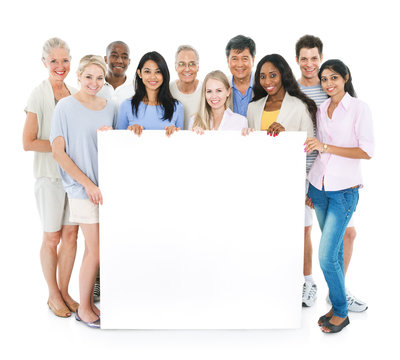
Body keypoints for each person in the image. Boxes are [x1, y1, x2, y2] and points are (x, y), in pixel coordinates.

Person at [295, 35, 367, 312]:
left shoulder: (331, 90)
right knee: (306, 231)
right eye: (304, 58)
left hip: (337, 179)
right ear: (297, 61)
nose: (309, 63)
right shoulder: (295, 90)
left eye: (314, 58)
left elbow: (352, 138)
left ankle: (338, 290)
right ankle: (308, 282)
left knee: (345, 236)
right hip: (309, 176)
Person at [304, 59, 374, 333]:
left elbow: (366, 151)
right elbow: (316, 148)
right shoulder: (321, 109)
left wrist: (326, 146)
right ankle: (336, 306)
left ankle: (342, 312)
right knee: (332, 254)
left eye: (334, 77)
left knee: (325, 256)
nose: (329, 83)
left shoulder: (359, 109)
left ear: (345, 77)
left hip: (344, 192)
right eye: (324, 79)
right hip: (318, 190)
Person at [50, 55, 118, 328]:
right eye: (88, 76)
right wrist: (87, 184)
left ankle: (91, 304)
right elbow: (58, 152)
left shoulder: (110, 107)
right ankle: (85, 308)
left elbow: (116, 143)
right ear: (78, 76)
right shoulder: (65, 107)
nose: (94, 82)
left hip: (109, 188)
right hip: (81, 190)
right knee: (95, 251)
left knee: (104, 249)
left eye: (99, 78)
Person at [23, 37, 79, 318]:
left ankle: (65, 291)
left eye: (65, 60)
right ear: (44, 63)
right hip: (49, 177)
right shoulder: (38, 94)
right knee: (51, 238)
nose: (60, 66)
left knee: (71, 234)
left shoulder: (76, 91)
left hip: (73, 178)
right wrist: (60, 148)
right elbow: (28, 142)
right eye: (54, 61)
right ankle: (52, 294)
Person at [246, 54, 315, 138]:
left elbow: (309, 145)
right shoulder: (252, 107)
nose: (267, 82)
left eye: (273, 75)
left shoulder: (300, 106)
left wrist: (285, 137)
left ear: (283, 75)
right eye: (263, 76)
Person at [117, 51, 184, 135]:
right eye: (147, 71)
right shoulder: (126, 106)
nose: (153, 77)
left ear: (164, 74)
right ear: (139, 73)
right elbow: (118, 143)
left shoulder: (177, 107)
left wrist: (175, 133)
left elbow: (180, 144)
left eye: (158, 71)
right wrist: (130, 133)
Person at [170, 45, 202, 130]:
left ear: (197, 67)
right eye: (182, 64)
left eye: (192, 64)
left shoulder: (207, 90)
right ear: (176, 67)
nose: (187, 69)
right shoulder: (167, 90)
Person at [225, 35, 256, 117]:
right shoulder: (222, 85)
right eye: (234, 59)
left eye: (245, 58)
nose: (240, 64)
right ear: (228, 61)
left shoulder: (263, 84)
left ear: (253, 60)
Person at [97, 41, 134, 105]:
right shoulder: (94, 86)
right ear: (105, 59)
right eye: (114, 56)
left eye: (124, 57)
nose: (119, 61)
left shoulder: (136, 88)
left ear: (129, 61)